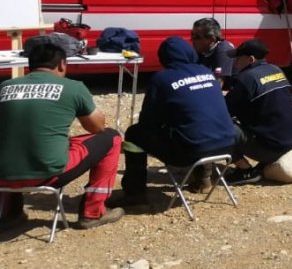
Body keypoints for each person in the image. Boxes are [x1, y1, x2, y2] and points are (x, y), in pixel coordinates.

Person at [0, 34, 124, 230]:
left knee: (13, 140)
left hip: (3, 175)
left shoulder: (5, 87)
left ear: (29, 66)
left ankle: (9, 213)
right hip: (47, 173)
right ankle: (93, 211)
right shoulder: (73, 88)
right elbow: (97, 128)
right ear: (61, 65)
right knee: (112, 138)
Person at [117, 37, 236, 204]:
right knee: (200, 127)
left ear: (163, 58)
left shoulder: (162, 79)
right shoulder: (206, 72)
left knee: (134, 133)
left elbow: (148, 121)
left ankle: (134, 194)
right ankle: (203, 179)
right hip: (228, 145)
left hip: (191, 151)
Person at [223, 39, 292, 185]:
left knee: (221, 127)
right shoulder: (276, 70)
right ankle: (264, 163)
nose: (235, 63)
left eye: (238, 58)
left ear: (250, 59)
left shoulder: (246, 79)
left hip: (273, 147)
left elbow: (224, 111)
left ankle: (245, 171)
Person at [191, 17, 236, 84]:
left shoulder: (223, 51)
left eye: (197, 37)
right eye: (192, 35)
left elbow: (218, 85)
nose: (192, 40)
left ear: (212, 39)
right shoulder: (202, 49)